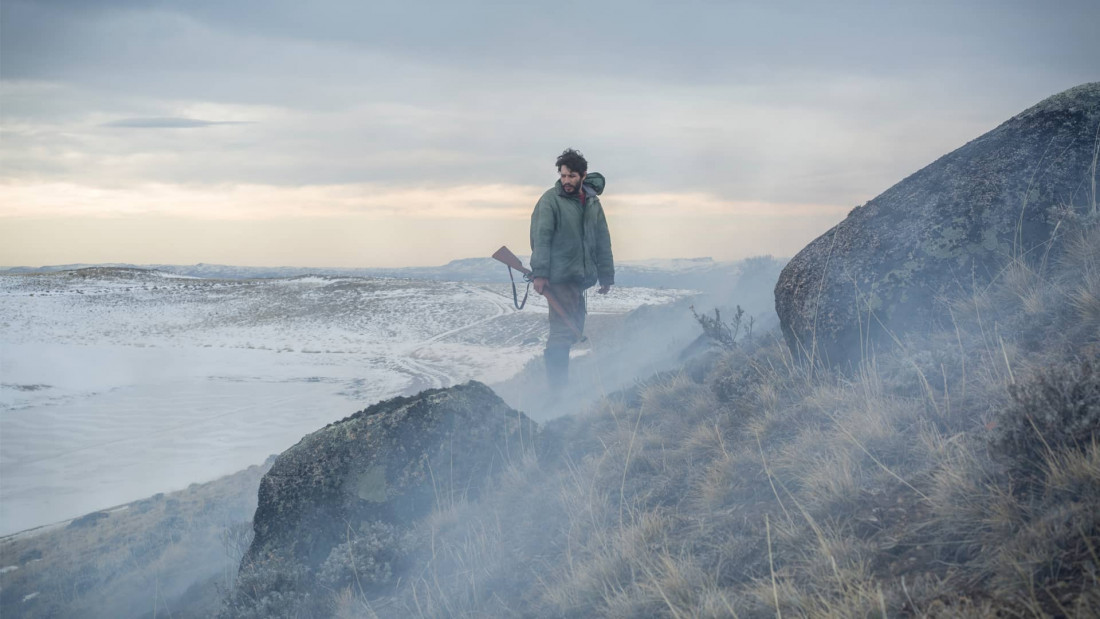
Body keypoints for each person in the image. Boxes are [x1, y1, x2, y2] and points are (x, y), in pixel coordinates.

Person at [530, 148, 614, 390]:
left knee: (573, 328)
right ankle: (557, 393)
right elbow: (541, 237)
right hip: (558, 278)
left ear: (583, 176)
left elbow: (602, 239)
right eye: (563, 176)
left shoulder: (592, 202)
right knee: (561, 332)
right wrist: (541, 273)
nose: (566, 181)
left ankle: (560, 388)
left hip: (579, 279)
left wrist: (606, 276)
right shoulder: (550, 200)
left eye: (572, 176)